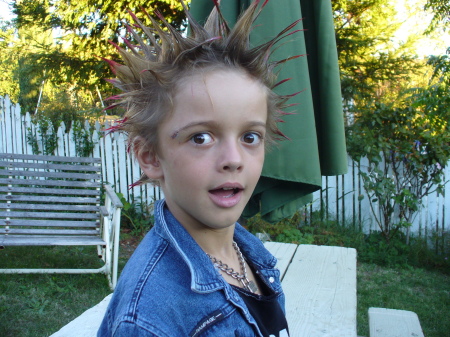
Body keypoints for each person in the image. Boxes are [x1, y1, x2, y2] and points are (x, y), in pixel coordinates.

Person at [98, 1, 299, 336]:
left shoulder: (250, 251)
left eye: (250, 136)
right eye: (201, 137)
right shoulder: (149, 317)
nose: (233, 159)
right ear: (150, 157)